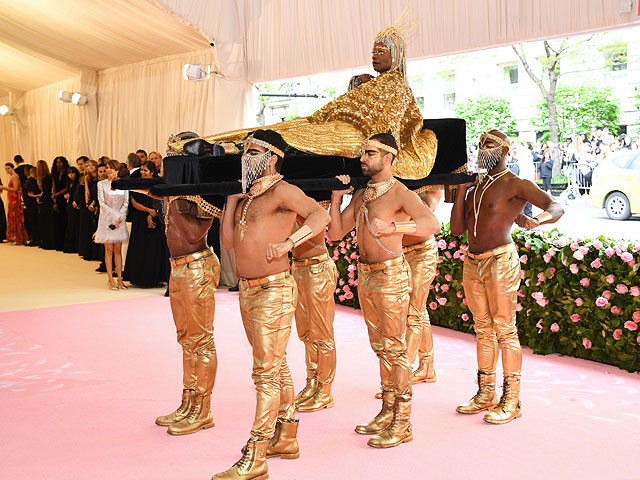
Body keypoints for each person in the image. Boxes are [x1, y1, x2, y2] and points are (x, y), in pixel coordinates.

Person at [170, 13, 437, 182]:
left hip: (356, 137)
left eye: (381, 50)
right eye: (373, 50)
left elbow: (386, 128)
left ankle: (229, 148)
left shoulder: (397, 86)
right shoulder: (372, 82)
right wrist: (356, 85)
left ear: (396, 55)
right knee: (284, 128)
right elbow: (350, 105)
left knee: (294, 139)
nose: (374, 54)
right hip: (331, 123)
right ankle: (219, 141)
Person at [214, 129, 330, 480]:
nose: (244, 157)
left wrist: (288, 244)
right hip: (248, 290)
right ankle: (287, 437)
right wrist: (231, 202)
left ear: (272, 158)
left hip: (275, 288)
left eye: (251, 152)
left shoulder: (283, 191)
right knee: (275, 366)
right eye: (244, 152)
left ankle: (257, 452)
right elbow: (228, 245)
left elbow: (318, 216)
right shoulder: (249, 198)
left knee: (264, 372)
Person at [328, 133, 440, 449]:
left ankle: (402, 422)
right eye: (362, 152)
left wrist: (395, 228)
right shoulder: (362, 195)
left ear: (388, 157)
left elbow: (431, 224)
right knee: (381, 347)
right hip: (366, 276)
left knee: (397, 348)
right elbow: (336, 233)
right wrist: (337, 199)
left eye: (369, 152)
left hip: (392, 276)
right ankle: (388, 409)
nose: (362, 158)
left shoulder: (401, 193)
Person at [450, 129, 564, 425]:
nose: (481, 149)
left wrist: (534, 220)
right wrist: (462, 189)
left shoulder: (515, 184)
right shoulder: (475, 189)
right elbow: (456, 230)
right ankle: (485, 392)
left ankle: (512, 399)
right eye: (479, 145)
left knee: (505, 329)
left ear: (504, 151)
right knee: (482, 328)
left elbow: (556, 206)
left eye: (488, 145)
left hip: (501, 259)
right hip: (472, 262)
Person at [291, 216, 339, 413]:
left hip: (317, 269)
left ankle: (324, 390)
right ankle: (312, 382)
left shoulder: (312, 201)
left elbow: (323, 218)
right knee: (305, 333)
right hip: (297, 267)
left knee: (322, 335)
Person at [123, 161, 170, 287]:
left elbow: (161, 200)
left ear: (152, 172)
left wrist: (153, 214)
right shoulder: (137, 183)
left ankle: (157, 278)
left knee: (155, 249)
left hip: (157, 217)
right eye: (142, 170)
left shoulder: (158, 183)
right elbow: (134, 203)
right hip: (140, 218)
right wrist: (149, 211)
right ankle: (137, 278)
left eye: (145, 170)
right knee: (140, 248)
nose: (142, 172)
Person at [94, 160, 129, 290]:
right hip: (107, 220)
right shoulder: (101, 184)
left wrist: (120, 217)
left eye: (111, 168)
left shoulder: (123, 184)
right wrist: (115, 216)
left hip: (120, 221)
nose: (109, 170)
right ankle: (110, 279)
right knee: (108, 250)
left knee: (118, 250)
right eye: (107, 168)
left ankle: (120, 279)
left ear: (117, 170)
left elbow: (126, 202)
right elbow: (101, 203)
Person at [1, 163, 29, 244]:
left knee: (16, 217)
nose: (7, 170)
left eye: (8, 168)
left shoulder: (15, 176)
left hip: (15, 200)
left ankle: (18, 237)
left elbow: (15, 188)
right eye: (6, 168)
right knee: (13, 217)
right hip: (12, 200)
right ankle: (15, 236)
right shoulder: (13, 176)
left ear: (13, 168)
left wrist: (4, 187)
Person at [77, 160, 98, 260]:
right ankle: (87, 251)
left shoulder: (99, 177)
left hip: (96, 202)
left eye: (92, 165)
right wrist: (87, 203)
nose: (90, 167)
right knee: (87, 228)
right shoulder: (87, 178)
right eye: (88, 166)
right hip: (88, 205)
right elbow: (87, 192)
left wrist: (93, 204)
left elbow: (97, 193)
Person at [35, 160, 56, 250]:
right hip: (47, 201)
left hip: (46, 203)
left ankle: (47, 242)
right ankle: (46, 242)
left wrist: (41, 199)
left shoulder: (45, 178)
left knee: (46, 222)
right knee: (45, 222)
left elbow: (46, 192)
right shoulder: (48, 177)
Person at [51, 156, 69, 250]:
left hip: (64, 197)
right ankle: (57, 243)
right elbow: (53, 185)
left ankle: (64, 244)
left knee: (64, 220)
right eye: (57, 162)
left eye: (60, 162)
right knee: (57, 220)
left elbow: (67, 187)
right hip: (56, 198)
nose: (59, 164)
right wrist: (54, 198)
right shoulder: (54, 173)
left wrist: (56, 194)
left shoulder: (67, 172)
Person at [63, 167, 81, 253]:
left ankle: (74, 246)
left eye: (72, 173)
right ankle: (69, 245)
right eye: (69, 173)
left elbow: (77, 193)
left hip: (74, 204)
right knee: (70, 223)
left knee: (74, 223)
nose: (71, 175)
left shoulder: (78, 181)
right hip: (69, 204)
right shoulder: (70, 182)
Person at [23, 166, 40, 246]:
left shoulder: (32, 181)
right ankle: (34, 238)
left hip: (31, 204)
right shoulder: (32, 180)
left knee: (33, 222)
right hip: (30, 203)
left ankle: (35, 239)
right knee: (32, 222)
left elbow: (30, 193)